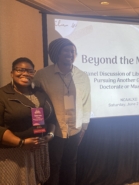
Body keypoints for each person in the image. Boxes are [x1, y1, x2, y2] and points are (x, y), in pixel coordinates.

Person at [34, 38, 91, 185]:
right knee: (53, 166)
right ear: (56, 53)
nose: (70, 53)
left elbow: (86, 102)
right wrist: (38, 129)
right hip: (53, 130)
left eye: (73, 51)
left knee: (71, 164)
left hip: (75, 129)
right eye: (66, 50)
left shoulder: (82, 76)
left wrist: (84, 127)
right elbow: (34, 103)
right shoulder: (42, 75)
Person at [0, 57, 56, 185]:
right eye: (20, 70)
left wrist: (50, 135)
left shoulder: (40, 93)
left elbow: (51, 117)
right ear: (12, 73)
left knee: (38, 181)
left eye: (30, 71)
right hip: (15, 153)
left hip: (39, 150)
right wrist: (21, 143)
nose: (25, 74)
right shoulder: (3, 95)